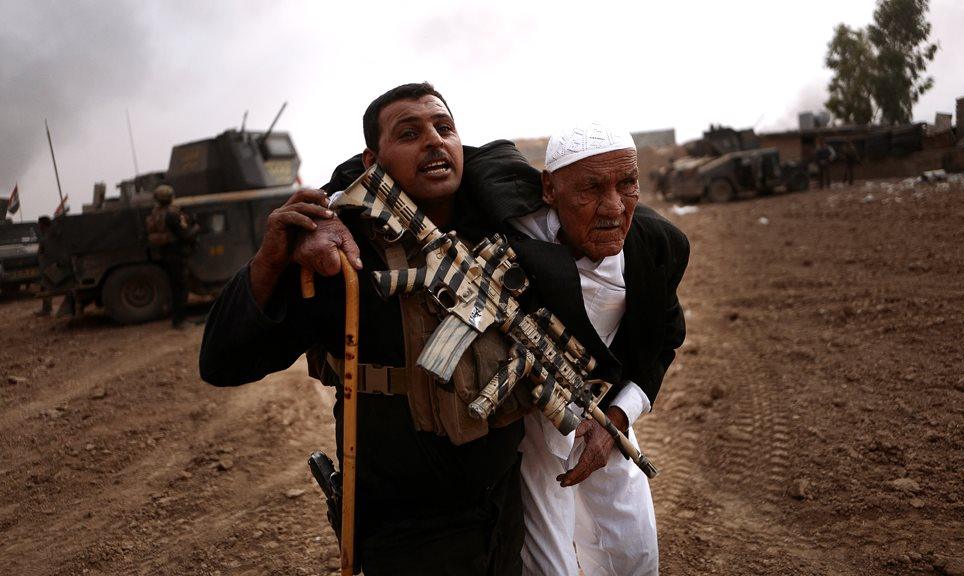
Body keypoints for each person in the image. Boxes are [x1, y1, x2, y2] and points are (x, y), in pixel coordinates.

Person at [199, 83, 526, 576]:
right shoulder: (340, 262)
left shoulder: (495, 221)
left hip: (505, 506)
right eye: (409, 133)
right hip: (409, 533)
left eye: (444, 128)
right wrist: (273, 258)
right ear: (373, 161)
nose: (434, 142)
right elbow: (223, 361)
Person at [460, 122, 689, 575]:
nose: (613, 207)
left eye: (627, 184)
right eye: (590, 188)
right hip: (530, 424)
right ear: (549, 188)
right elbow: (419, 150)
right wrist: (327, 206)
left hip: (608, 411)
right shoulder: (510, 214)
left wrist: (617, 422)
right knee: (548, 563)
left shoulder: (657, 245)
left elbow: (662, 341)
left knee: (633, 551)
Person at [146, 184, 197, 328]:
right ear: (170, 198)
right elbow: (185, 235)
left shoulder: (155, 213)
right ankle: (179, 321)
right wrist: (196, 228)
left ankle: (178, 319)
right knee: (181, 287)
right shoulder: (172, 214)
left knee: (175, 287)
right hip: (176, 253)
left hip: (165, 253)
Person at [34, 216, 53, 316]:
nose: (39, 227)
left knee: (46, 288)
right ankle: (46, 309)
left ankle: (47, 310)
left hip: (49, 267)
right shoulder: (46, 236)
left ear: (43, 225)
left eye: (40, 224)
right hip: (45, 267)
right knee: (45, 288)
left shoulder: (49, 237)